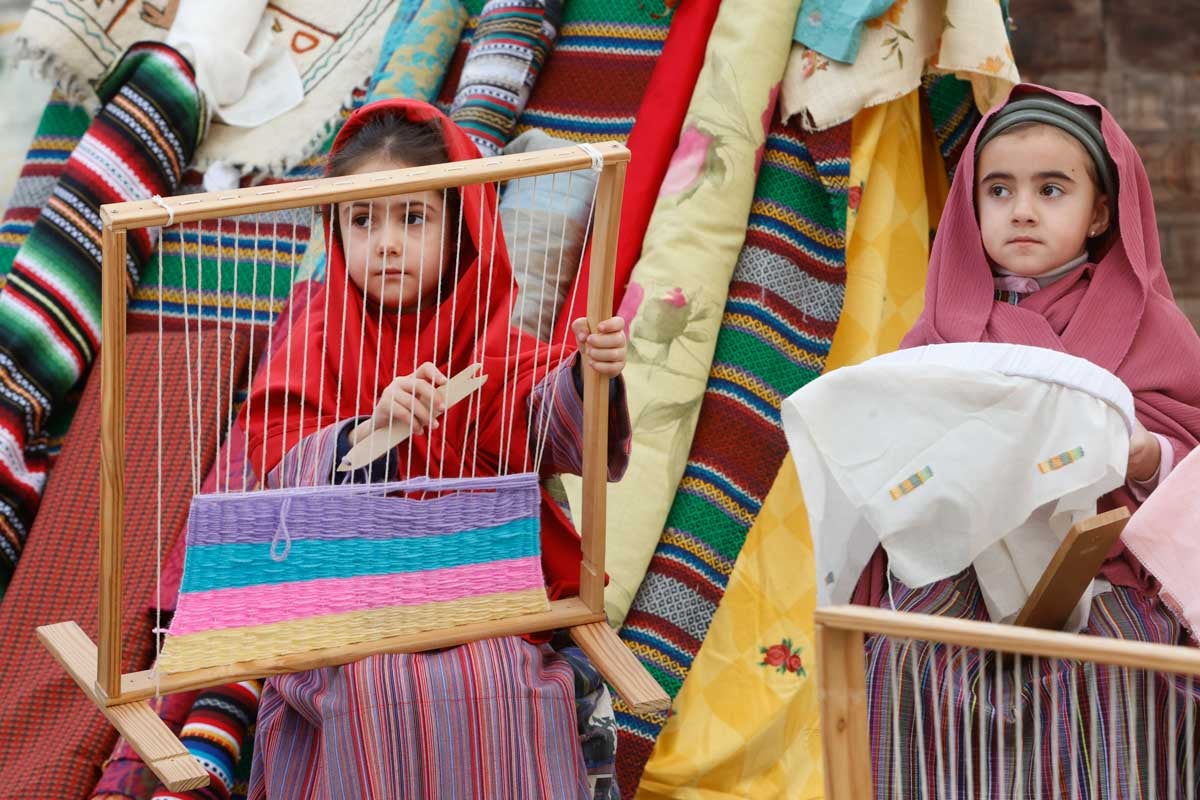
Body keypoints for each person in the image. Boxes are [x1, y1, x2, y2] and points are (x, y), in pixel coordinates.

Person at [243, 98, 631, 799]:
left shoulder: (493, 343)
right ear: (335, 230)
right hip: (346, 606)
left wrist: (588, 373)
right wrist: (371, 430)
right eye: (363, 219)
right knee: (370, 686)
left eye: (413, 217)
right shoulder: (312, 340)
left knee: (496, 682)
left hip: (484, 605)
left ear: (463, 229)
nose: (385, 242)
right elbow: (274, 463)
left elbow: (545, 418)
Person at [854, 84, 1200, 797]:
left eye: (1051, 189)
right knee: (906, 653)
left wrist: (1145, 457)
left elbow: (1188, 440)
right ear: (969, 206)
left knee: (1127, 665)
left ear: (1101, 210)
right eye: (999, 189)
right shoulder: (941, 330)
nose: (1022, 210)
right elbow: (894, 459)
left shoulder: (1152, 327)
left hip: (1107, 568)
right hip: (967, 566)